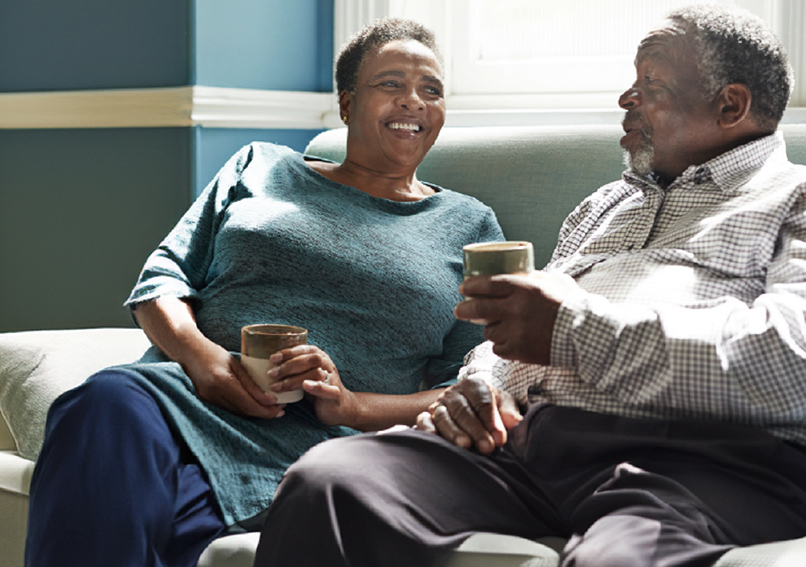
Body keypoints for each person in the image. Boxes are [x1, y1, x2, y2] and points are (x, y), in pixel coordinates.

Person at [254, 5, 806, 567]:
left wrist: (574, 329)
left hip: (719, 463)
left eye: (649, 85)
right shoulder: (605, 206)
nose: (626, 100)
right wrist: (477, 387)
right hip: (533, 445)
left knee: (619, 558)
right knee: (331, 478)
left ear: (729, 105)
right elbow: (516, 339)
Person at [24, 18, 504, 567]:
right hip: (179, 392)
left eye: (431, 90)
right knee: (101, 402)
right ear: (347, 104)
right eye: (391, 84)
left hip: (311, 442)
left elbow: (466, 385)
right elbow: (160, 281)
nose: (414, 101)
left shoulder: (469, 225)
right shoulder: (260, 166)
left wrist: (351, 405)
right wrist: (205, 362)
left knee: (170, 521)